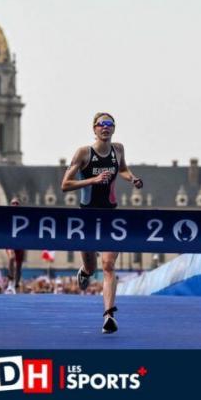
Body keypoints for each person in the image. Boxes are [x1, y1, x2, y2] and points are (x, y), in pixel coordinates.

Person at [61, 112, 143, 334]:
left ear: (114, 129)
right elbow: (65, 184)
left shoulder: (118, 149)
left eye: (110, 124)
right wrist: (93, 180)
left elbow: (123, 168)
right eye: (101, 124)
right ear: (94, 129)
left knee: (108, 264)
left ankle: (109, 315)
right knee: (92, 265)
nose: (105, 127)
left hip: (110, 216)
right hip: (87, 216)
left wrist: (132, 178)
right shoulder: (84, 153)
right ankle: (86, 271)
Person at [4, 197, 25, 294]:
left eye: (17, 203)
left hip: (20, 242)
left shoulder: (23, 216)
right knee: (11, 258)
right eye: (13, 203)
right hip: (9, 241)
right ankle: (10, 281)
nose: (15, 205)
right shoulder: (7, 215)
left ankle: (15, 285)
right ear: (10, 204)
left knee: (19, 266)